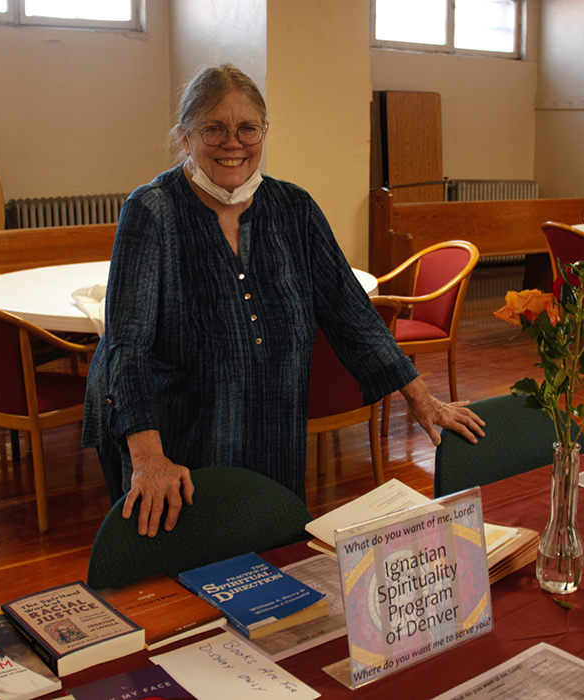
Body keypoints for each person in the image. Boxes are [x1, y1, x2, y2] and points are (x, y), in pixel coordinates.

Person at [82, 63, 485, 537]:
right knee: (192, 576)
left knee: (272, 557)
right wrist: (148, 458)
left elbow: (351, 310)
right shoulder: (152, 212)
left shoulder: (293, 209)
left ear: (264, 131)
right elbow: (125, 345)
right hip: (174, 447)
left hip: (273, 432)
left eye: (247, 128)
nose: (233, 143)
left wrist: (421, 397)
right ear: (185, 137)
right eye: (214, 129)